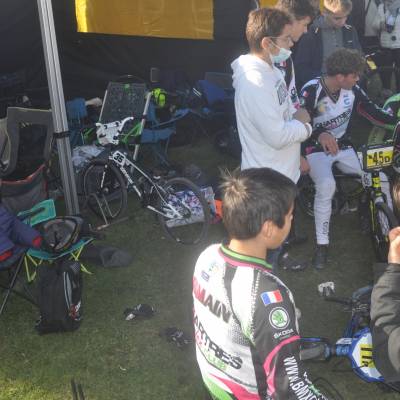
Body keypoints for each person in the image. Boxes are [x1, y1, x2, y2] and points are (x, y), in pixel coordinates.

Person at [193, 167, 327, 399]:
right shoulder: (267, 298)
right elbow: (290, 386)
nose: (292, 219)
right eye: (290, 215)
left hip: (215, 382)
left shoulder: (207, 256)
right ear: (268, 228)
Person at [299, 48, 398, 269]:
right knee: (327, 185)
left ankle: (388, 233)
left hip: (342, 146)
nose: (358, 79)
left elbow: (374, 112)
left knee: (379, 177)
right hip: (314, 150)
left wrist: (396, 121)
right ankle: (322, 245)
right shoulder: (312, 90)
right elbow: (296, 123)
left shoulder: (352, 90)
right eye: (355, 75)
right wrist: (318, 134)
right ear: (340, 76)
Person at [231, 8, 312, 270]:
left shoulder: (272, 71)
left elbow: (286, 111)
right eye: (287, 39)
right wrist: (305, 128)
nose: (292, 43)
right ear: (267, 43)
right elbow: (277, 136)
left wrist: (295, 121)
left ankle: (278, 260)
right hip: (267, 179)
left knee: (277, 235)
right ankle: (265, 282)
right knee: (264, 245)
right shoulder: (254, 83)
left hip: (282, 171)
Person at [274, 0, 318, 271]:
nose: (306, 30)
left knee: (288, 196)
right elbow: (277, 122)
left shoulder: (286, 58)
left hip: (287, 144)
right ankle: (276, 254)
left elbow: (291, 104)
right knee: (275, 204)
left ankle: (285, 241)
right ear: (290, 21)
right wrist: (303, 127)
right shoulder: (264, 66)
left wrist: (298, 151)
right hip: (272, 153)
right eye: (305, 24)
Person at [294, 0, 362, 89]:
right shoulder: (311, 33)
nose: (342, 22)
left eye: (346, 17)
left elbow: (359, 58)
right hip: (319, 87)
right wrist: (324, 82)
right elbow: (301, 67)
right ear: (324, 13)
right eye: (337, 18)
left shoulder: (350, 31)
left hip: (347, 87)